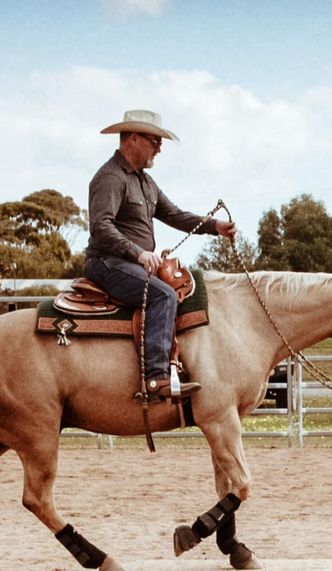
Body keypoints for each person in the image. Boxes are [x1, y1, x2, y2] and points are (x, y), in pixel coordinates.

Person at [83, 109, 236, 401]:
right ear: (134, 139)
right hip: (106, 263)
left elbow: (175, 215)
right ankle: (156, 378)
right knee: (162, 295)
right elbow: (101, 226)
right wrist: (139, 253)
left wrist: (216, 227)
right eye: (155, 140)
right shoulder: (110, 177)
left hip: (130, 263)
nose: (160, 148)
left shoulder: (145, 182)